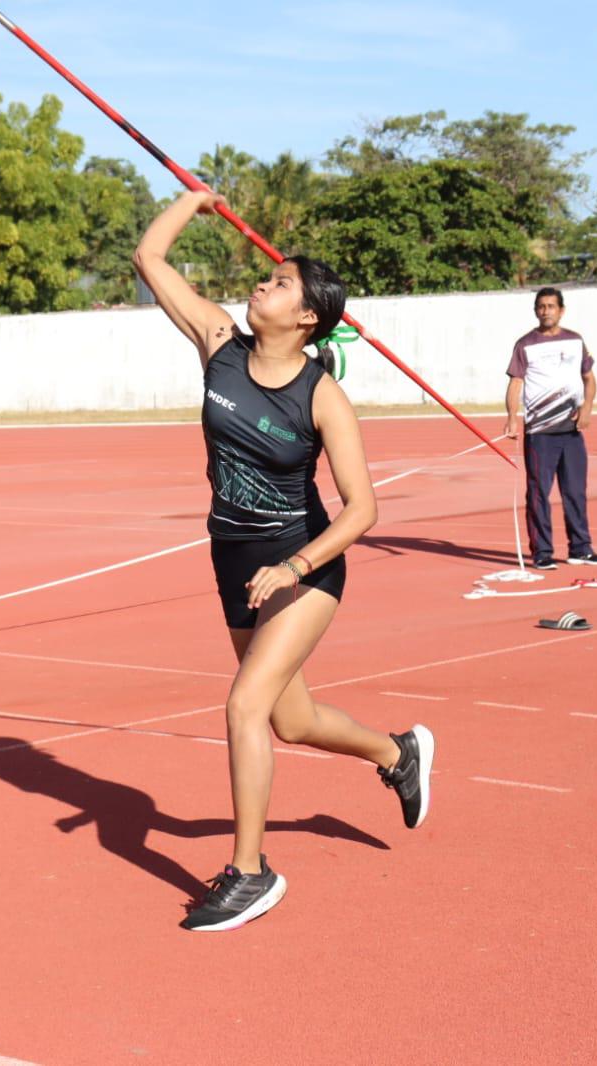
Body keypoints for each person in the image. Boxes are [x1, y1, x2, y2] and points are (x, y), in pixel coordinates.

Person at [133, 189, 434, 933]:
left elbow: (363, 510)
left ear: (307, 316)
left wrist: (295, 568)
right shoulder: (216, 344)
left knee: (243, 706)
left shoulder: (322, 395)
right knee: (290, 721)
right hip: (231, 555)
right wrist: (191, 202)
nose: (264, 283)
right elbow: (148, 258)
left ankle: (249, 872)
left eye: (281, 281)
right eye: (266, 276)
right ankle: (395, 754)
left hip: (301, 565)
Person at [504, 287, 597, 570]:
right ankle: (542, 552)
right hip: (540, 433)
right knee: (539, 493)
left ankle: (581, 549)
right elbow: (515, 383)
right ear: (536, 310)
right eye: (541, 306)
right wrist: (512, 417)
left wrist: (587, 408)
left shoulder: (575, 340)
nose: (546, 311)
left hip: (571, 431)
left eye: (551, 306)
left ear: (561, 310)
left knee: (575, 492)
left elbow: (589, 378)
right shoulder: (525, 344)